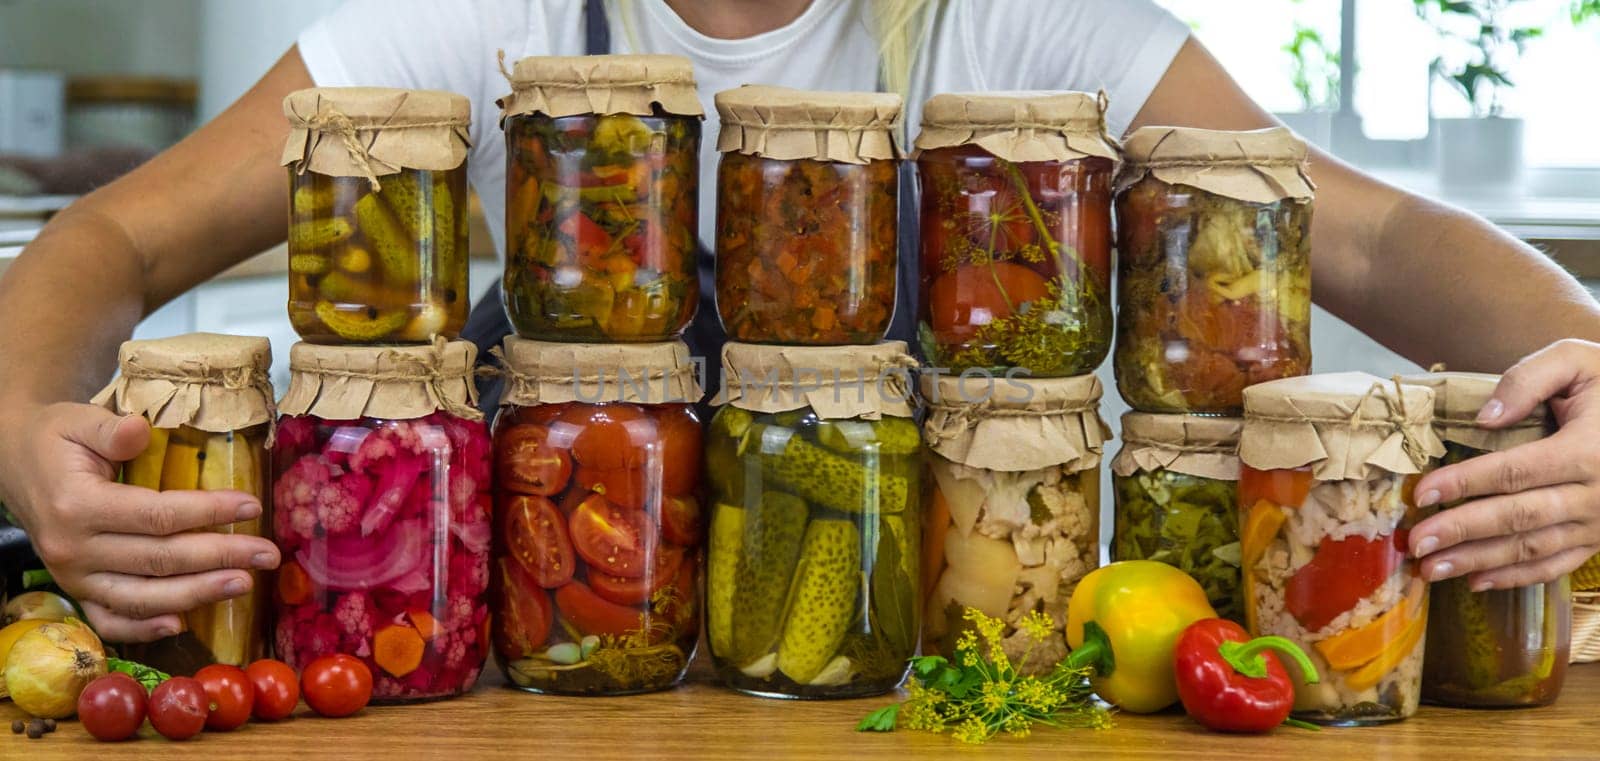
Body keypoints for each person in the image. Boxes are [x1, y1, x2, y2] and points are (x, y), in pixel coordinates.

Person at [0, 0, 1597, 643]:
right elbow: (119, 237)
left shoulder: (1019, 19)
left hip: (912, 680)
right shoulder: (498, 17)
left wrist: (1589, 356)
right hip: (534, 685)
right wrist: (21, 437)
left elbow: (1366, 224)